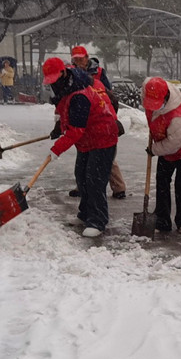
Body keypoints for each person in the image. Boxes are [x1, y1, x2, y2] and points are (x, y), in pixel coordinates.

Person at [43, 57, 119, 238]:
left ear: (63, 72)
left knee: (95, 180)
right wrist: (60, 127)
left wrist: (56, 150)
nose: (53, 83)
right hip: (87, 139)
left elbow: (76, 130)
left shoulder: (79, 94)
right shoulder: (67, 87)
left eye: (55, 78)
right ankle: (85, 214)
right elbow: (67, 113)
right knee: (82, 176)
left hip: (102, 138)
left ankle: (98, 221)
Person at [142, 77, 181, 234]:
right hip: (165, 143)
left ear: (166, 97)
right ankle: (162, 219)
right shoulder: (149, 91)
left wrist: (155, 149)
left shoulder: (178, 115)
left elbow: (174, 143)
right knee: (162, 181)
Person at [68, 45, 127, 200]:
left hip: (100, 117)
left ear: (87, 58)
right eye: (76, 59)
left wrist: (111, 118)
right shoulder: (72, 74)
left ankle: (118, 187)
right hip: (84, 118)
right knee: (84, 153)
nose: (79, 62)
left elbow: (109, 97)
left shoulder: (99, 73)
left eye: (81, 59)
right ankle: (82, 185)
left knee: (106, 156)